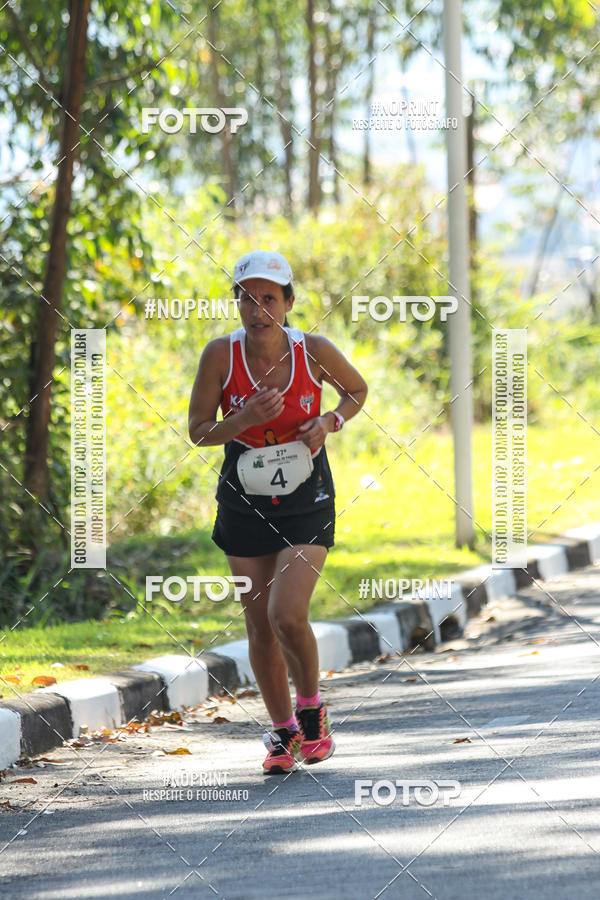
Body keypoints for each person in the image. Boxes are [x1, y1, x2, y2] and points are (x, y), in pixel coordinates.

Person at [188, 250, 368, 774]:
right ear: (237, 302)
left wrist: (330, 420)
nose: (257, 306)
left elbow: (357, 390)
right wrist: (240, 418)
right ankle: (283, 733)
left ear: (288, 302)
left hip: (305, 497)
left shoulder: (313, 351)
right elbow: (199, 431)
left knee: (286, 614)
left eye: (269, 297)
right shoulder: (220, 356)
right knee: (259, 627)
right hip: (243, 498)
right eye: (247, 296)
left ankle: (312, 713)